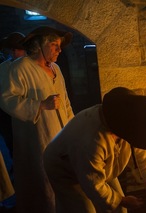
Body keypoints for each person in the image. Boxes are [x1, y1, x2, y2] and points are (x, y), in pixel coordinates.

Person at [43, 87, 146, 213]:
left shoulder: (127, 119)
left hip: (96, 165)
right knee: (84, 209)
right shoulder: (92, 140)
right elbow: (94, 185)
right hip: (65, 170)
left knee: (118, 209)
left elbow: (139, 151)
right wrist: (122, 200)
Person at [0, 26, 75, 213]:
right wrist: (40, 105)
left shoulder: (56, 69)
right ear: (40, 45)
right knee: (42, 184)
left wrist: (73, 130)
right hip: (37, 138)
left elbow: (65, 102)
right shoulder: (19, 68)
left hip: (61, 136)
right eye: (54, 45)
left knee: (64, 181)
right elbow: (7, 99)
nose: (59, 50)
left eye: (60, 46)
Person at [0, 32, 26, 158]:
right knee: (12, 144)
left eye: (18, 50)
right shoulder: (4, 68)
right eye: (12, 50)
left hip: (25, 111)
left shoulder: (28, 66)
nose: (15, 53)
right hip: (6, 115)